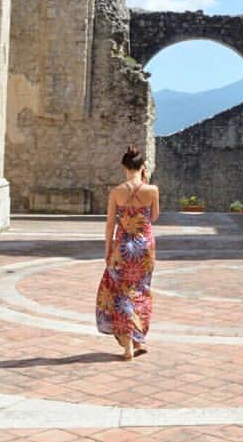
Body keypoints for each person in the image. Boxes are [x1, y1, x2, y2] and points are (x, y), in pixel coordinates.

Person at [95, 145, 159, 360]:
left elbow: (110, 224)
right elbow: (155, 217)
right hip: (144, 248)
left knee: (120, 293)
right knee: (141, 291)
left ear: (124, 167)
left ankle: (127, 344)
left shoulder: (116, 191)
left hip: (122, 246)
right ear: (142, 167)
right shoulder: (153, 191)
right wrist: (146, 184)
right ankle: (139, 339)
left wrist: (108, 249)